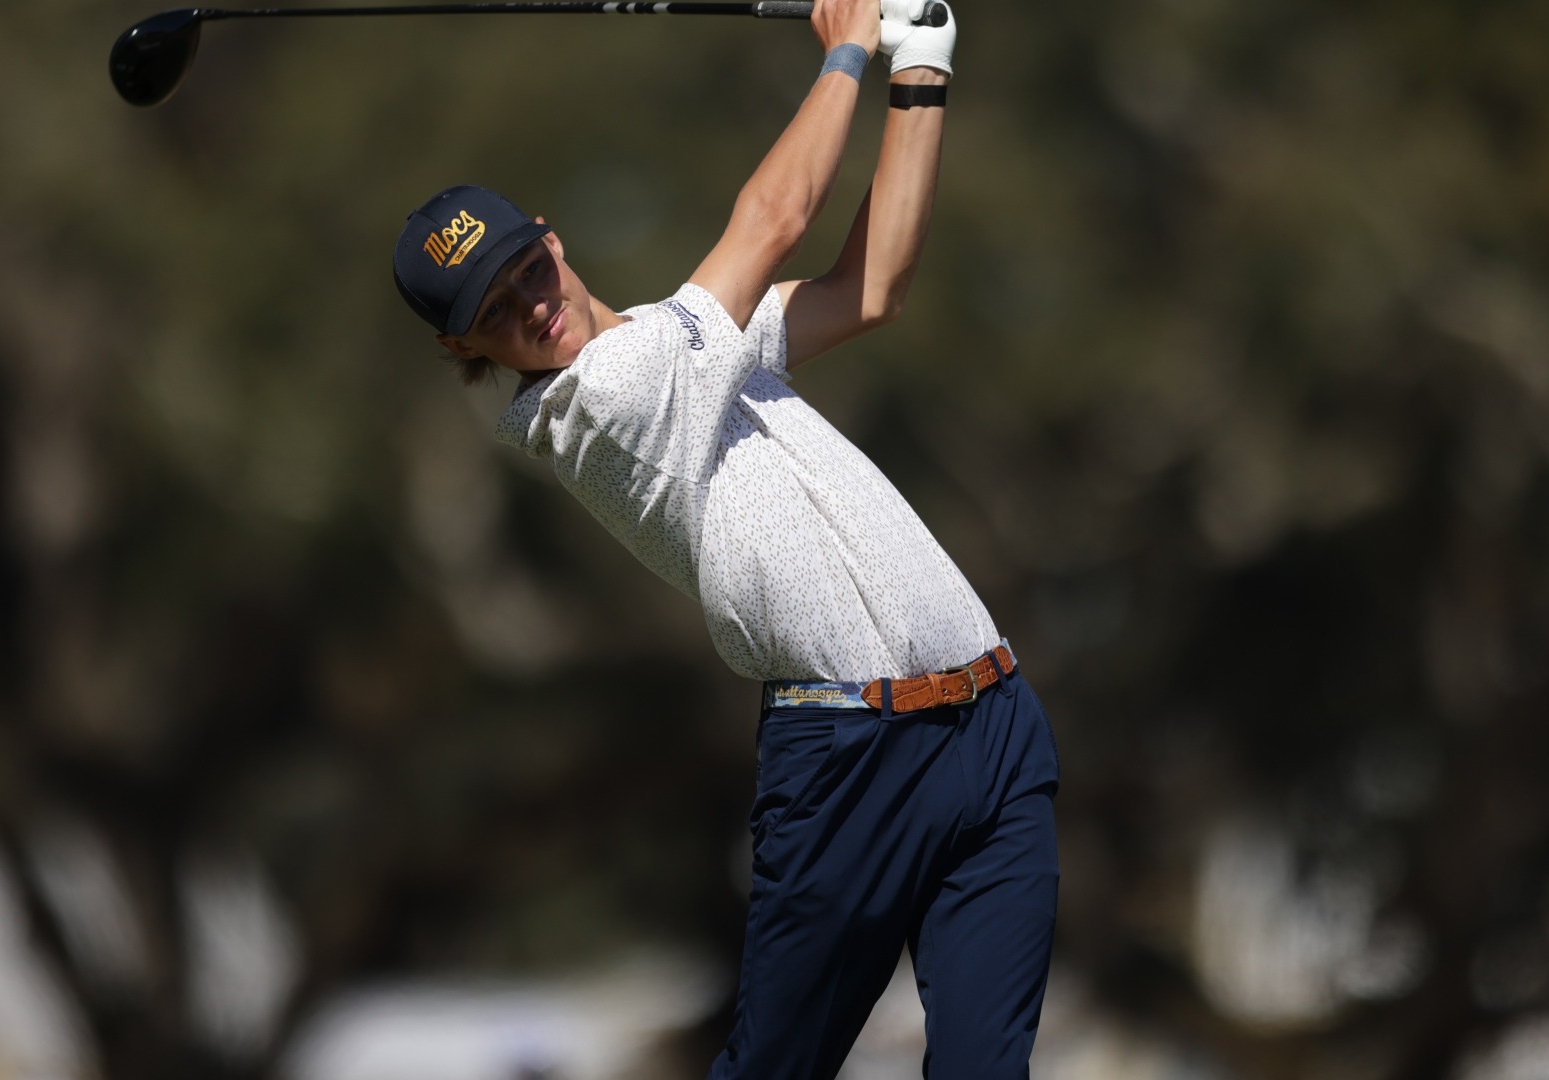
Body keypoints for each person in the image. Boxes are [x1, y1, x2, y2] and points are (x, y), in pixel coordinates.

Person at [390, 0, 1058, 1075]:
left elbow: (871, 286)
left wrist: (922, 65)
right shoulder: (601, 403)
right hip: (848, 763)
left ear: (551, 241)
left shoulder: (680, 342)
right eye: (495, 307)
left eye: (526, 268)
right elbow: (775, 217)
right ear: (460, 343)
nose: (531, 302)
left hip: (992, 725)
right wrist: (846, 39)